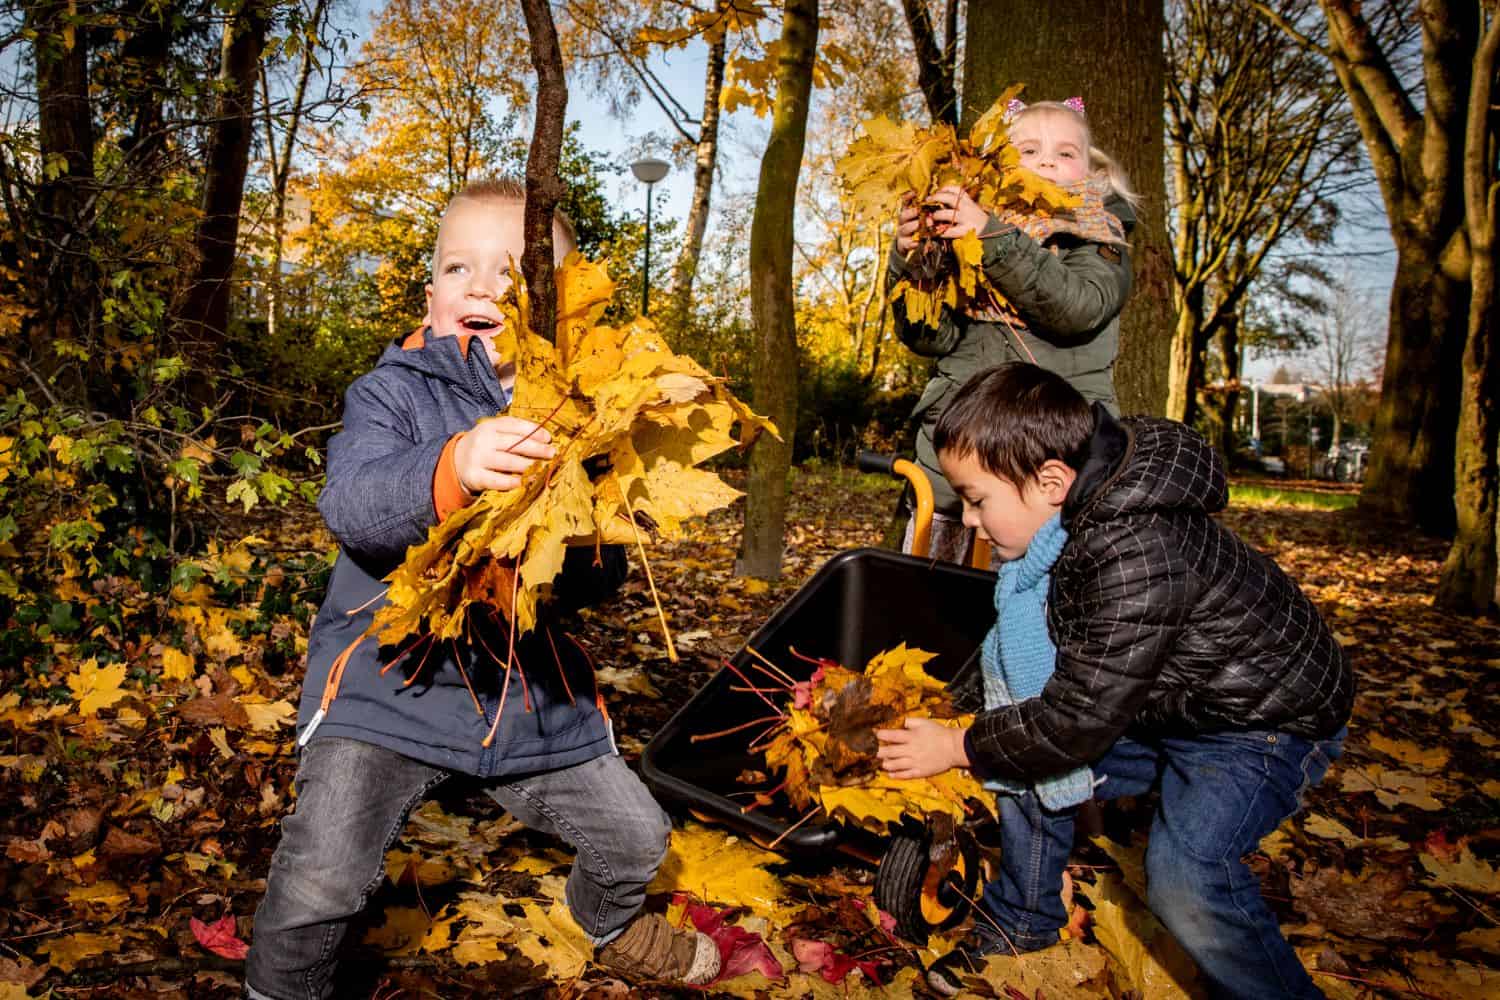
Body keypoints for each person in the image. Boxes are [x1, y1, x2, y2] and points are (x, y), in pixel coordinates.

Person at [245, 178, 720, 1000]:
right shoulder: (391, 392)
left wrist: (585, 529)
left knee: (638, 837)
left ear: (565, 309)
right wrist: (455, 465)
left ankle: (607, 922)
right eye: (458, 268)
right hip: (390, 681)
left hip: (525, 693)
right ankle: (280, 990)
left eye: (513, 274)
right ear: (430, 295)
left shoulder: (585, 415)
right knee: (323, 876)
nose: (482, 288)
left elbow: (596, 578)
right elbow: (352, 505)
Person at [874, 364, 1354, 999]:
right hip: (1167, 703)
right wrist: (958, 713)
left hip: (1261, 722)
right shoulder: (1069, 524)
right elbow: (1028, 670)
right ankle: (1021, 924)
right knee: (1021, 757)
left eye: (978, 499)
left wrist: (958, 745)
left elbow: (1074, 720)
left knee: (1186, 875)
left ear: (1050, 482)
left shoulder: (1134, 553)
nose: (966, 520)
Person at [889, 97, 1137, 564]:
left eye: (1066, 153)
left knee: (1032, 591)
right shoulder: (970, 226)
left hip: (1044, 469)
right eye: (1029, 151)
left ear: (1090, 169)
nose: (1047, 161)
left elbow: (1077, 307)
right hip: (956, 471)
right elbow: (929, 337)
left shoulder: (1099, 234)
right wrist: (913, 260)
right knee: (933, 593)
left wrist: (993, 237)